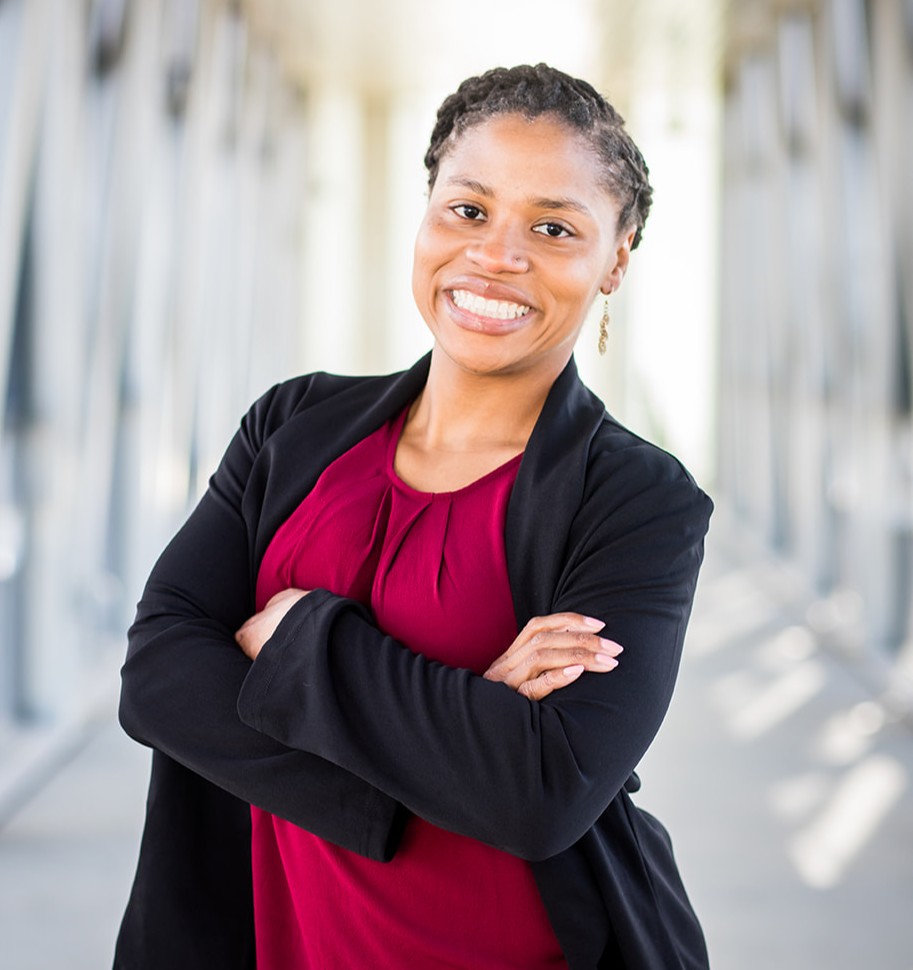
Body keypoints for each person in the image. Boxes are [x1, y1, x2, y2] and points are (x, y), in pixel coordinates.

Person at [114, 63, 713, 969]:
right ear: (427, 213)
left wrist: (295, 639)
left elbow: (540, 793)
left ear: (615, 261)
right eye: (467, 210)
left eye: (553, 228)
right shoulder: (292, 425)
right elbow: (158, 678)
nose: (497, 254)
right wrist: (463, 721)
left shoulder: (639, 499)